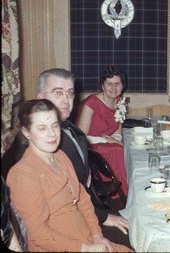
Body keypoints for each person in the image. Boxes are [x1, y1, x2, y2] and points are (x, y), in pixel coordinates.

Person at [6, 99, 131, 252]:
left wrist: (96, 234)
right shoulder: (22, 174)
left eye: (55, 125)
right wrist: (85, 248)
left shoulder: (60, 156)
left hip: (84, 235)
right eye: (42, 128)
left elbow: (83, 200)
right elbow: (39, 236)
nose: (52, 134)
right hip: (58, 247)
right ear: (27, 133)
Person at [33, 68, 130, 248]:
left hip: (89, 209)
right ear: (40, 97)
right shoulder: (41, 147)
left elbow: (79, 190)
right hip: (69, 227)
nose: (65, 100)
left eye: (70, 93)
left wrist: (101, 217)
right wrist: (99, 227)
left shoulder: (69, 129)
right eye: (58, 93)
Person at [76, 66, 128, 196]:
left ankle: (124, 192)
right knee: (118, 150)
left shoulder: (120, 102)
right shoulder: (91, 103)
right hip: (91, 147)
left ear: (123, 86)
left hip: (107, 144)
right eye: (109, 84)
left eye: (117, 84)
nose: (113, 88)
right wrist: (107, 140)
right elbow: (81, 137)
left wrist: (115, 140)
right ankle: (118, 195)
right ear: (102, 86)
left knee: (123, 148)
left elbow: (117, 129)